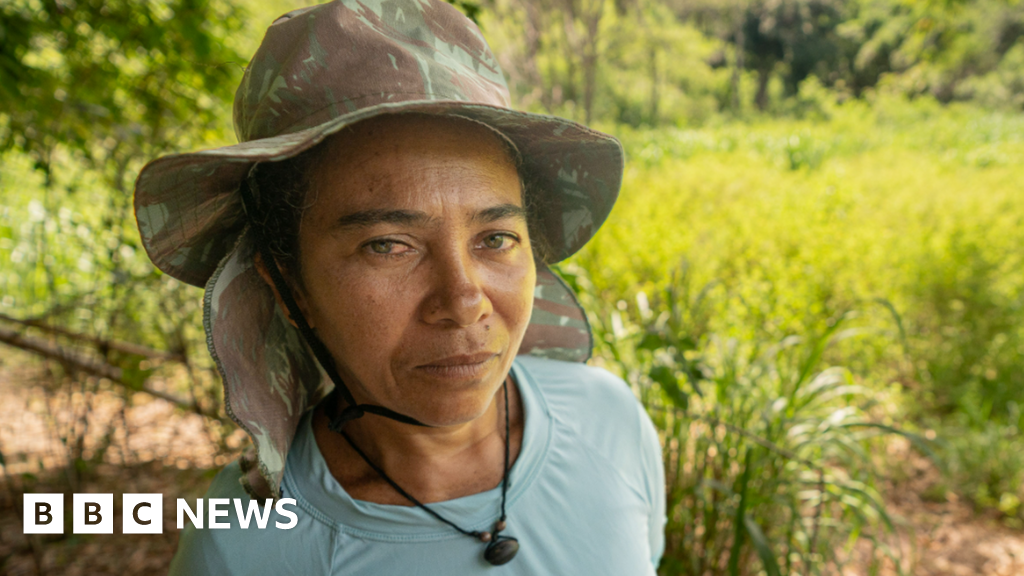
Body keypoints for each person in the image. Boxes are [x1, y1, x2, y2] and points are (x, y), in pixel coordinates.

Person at [133, 0, 666, 573]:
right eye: (388, 245)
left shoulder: (608, 422)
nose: (463, 303)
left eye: (495, 238)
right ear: (288, 285)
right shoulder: (244, 544)